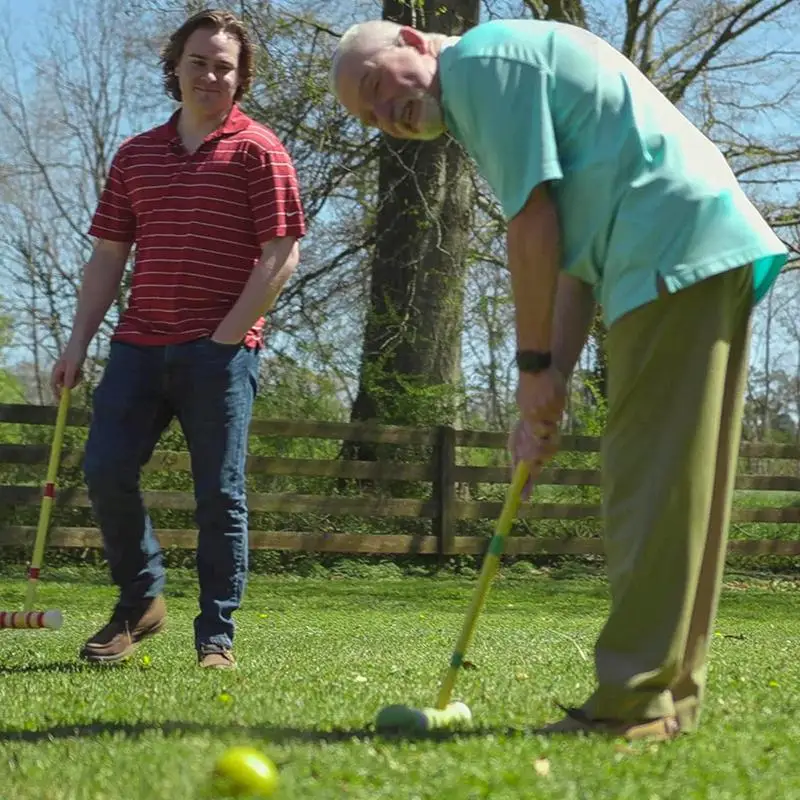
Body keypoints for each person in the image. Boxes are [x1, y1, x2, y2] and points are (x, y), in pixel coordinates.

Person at [329, 19, 788, 739]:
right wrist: (551, 384)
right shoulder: (505, 71)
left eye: (375, 86)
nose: (386, 116)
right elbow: (571, 258)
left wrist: (531, 367)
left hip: (668, 250)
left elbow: (532, 225)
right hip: (694, 242)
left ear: (414, 41)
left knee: (647, 481)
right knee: (679, 486)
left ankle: (632, 702)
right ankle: (665, 700)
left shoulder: (481, 66)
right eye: (369, 117)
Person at [50, 9, 306, 669]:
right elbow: (108, 254)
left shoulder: (259, 149)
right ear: (176, 67)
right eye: (199, 62)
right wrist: (77, 343)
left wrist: (225, 339)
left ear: (241, 78)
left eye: (225, 66)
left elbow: (282, 253)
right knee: (105, 468)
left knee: (218, 494)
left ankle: (215, 637)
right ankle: (141, 601)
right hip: (137, 345)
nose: (211, 75)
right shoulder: (136, 154)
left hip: (218, 353)